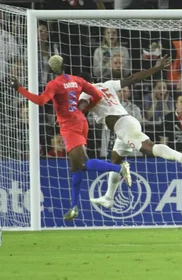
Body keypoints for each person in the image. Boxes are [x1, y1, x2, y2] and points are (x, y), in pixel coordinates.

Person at [9, 55, 131, 220]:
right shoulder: (77, 80)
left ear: (51, 69)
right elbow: (97, 95)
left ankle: (119, 169)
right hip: (81, 122)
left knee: (84, 163)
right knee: (76, 168)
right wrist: (82, 110)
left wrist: (19, 89)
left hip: (69, 126)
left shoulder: (54, 84)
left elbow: (40, 101)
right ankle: (74, 207)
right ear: (64, 65)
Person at [77, 56, 182, 211]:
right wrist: (156, 68)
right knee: (115, 159)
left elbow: (80, 108)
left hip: (124, 127)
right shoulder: (106, 85)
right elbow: (132, 78)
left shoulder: (85, 94)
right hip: (126, 123)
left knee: (149, 148)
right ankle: (108, 198)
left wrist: (70, 113)